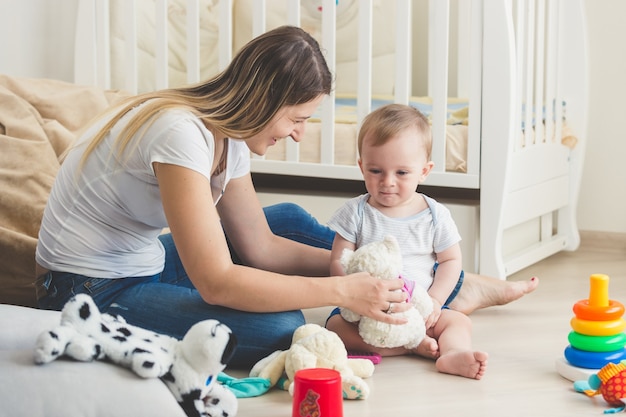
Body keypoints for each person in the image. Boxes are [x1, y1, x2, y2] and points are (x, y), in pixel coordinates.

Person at [34, 25, 537, 370]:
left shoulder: (225, 141)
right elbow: (216, 282)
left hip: (138, 263)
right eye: (296, 119)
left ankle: (419, 281)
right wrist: (342, 292)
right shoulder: (179, 133)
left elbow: (261, 248)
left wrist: (357, 272)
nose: (297, 135)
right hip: (89, 290)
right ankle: (411, 300)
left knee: (289, 220)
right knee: (281, 326)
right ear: (264, 101)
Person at [325, 104, 488, 379]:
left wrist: (435, 301)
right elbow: (339, 260)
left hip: (420, 310)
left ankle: (452, 354)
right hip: (368, 310)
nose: (387, 182)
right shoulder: (355, 213)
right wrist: (353, 299)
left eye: (401, 173)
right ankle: (410, 347)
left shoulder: (435, 215)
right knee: (334, 326)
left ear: (424, 171)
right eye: (376, 171)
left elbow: (451, 260)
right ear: (361, 166)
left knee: (458, 321)